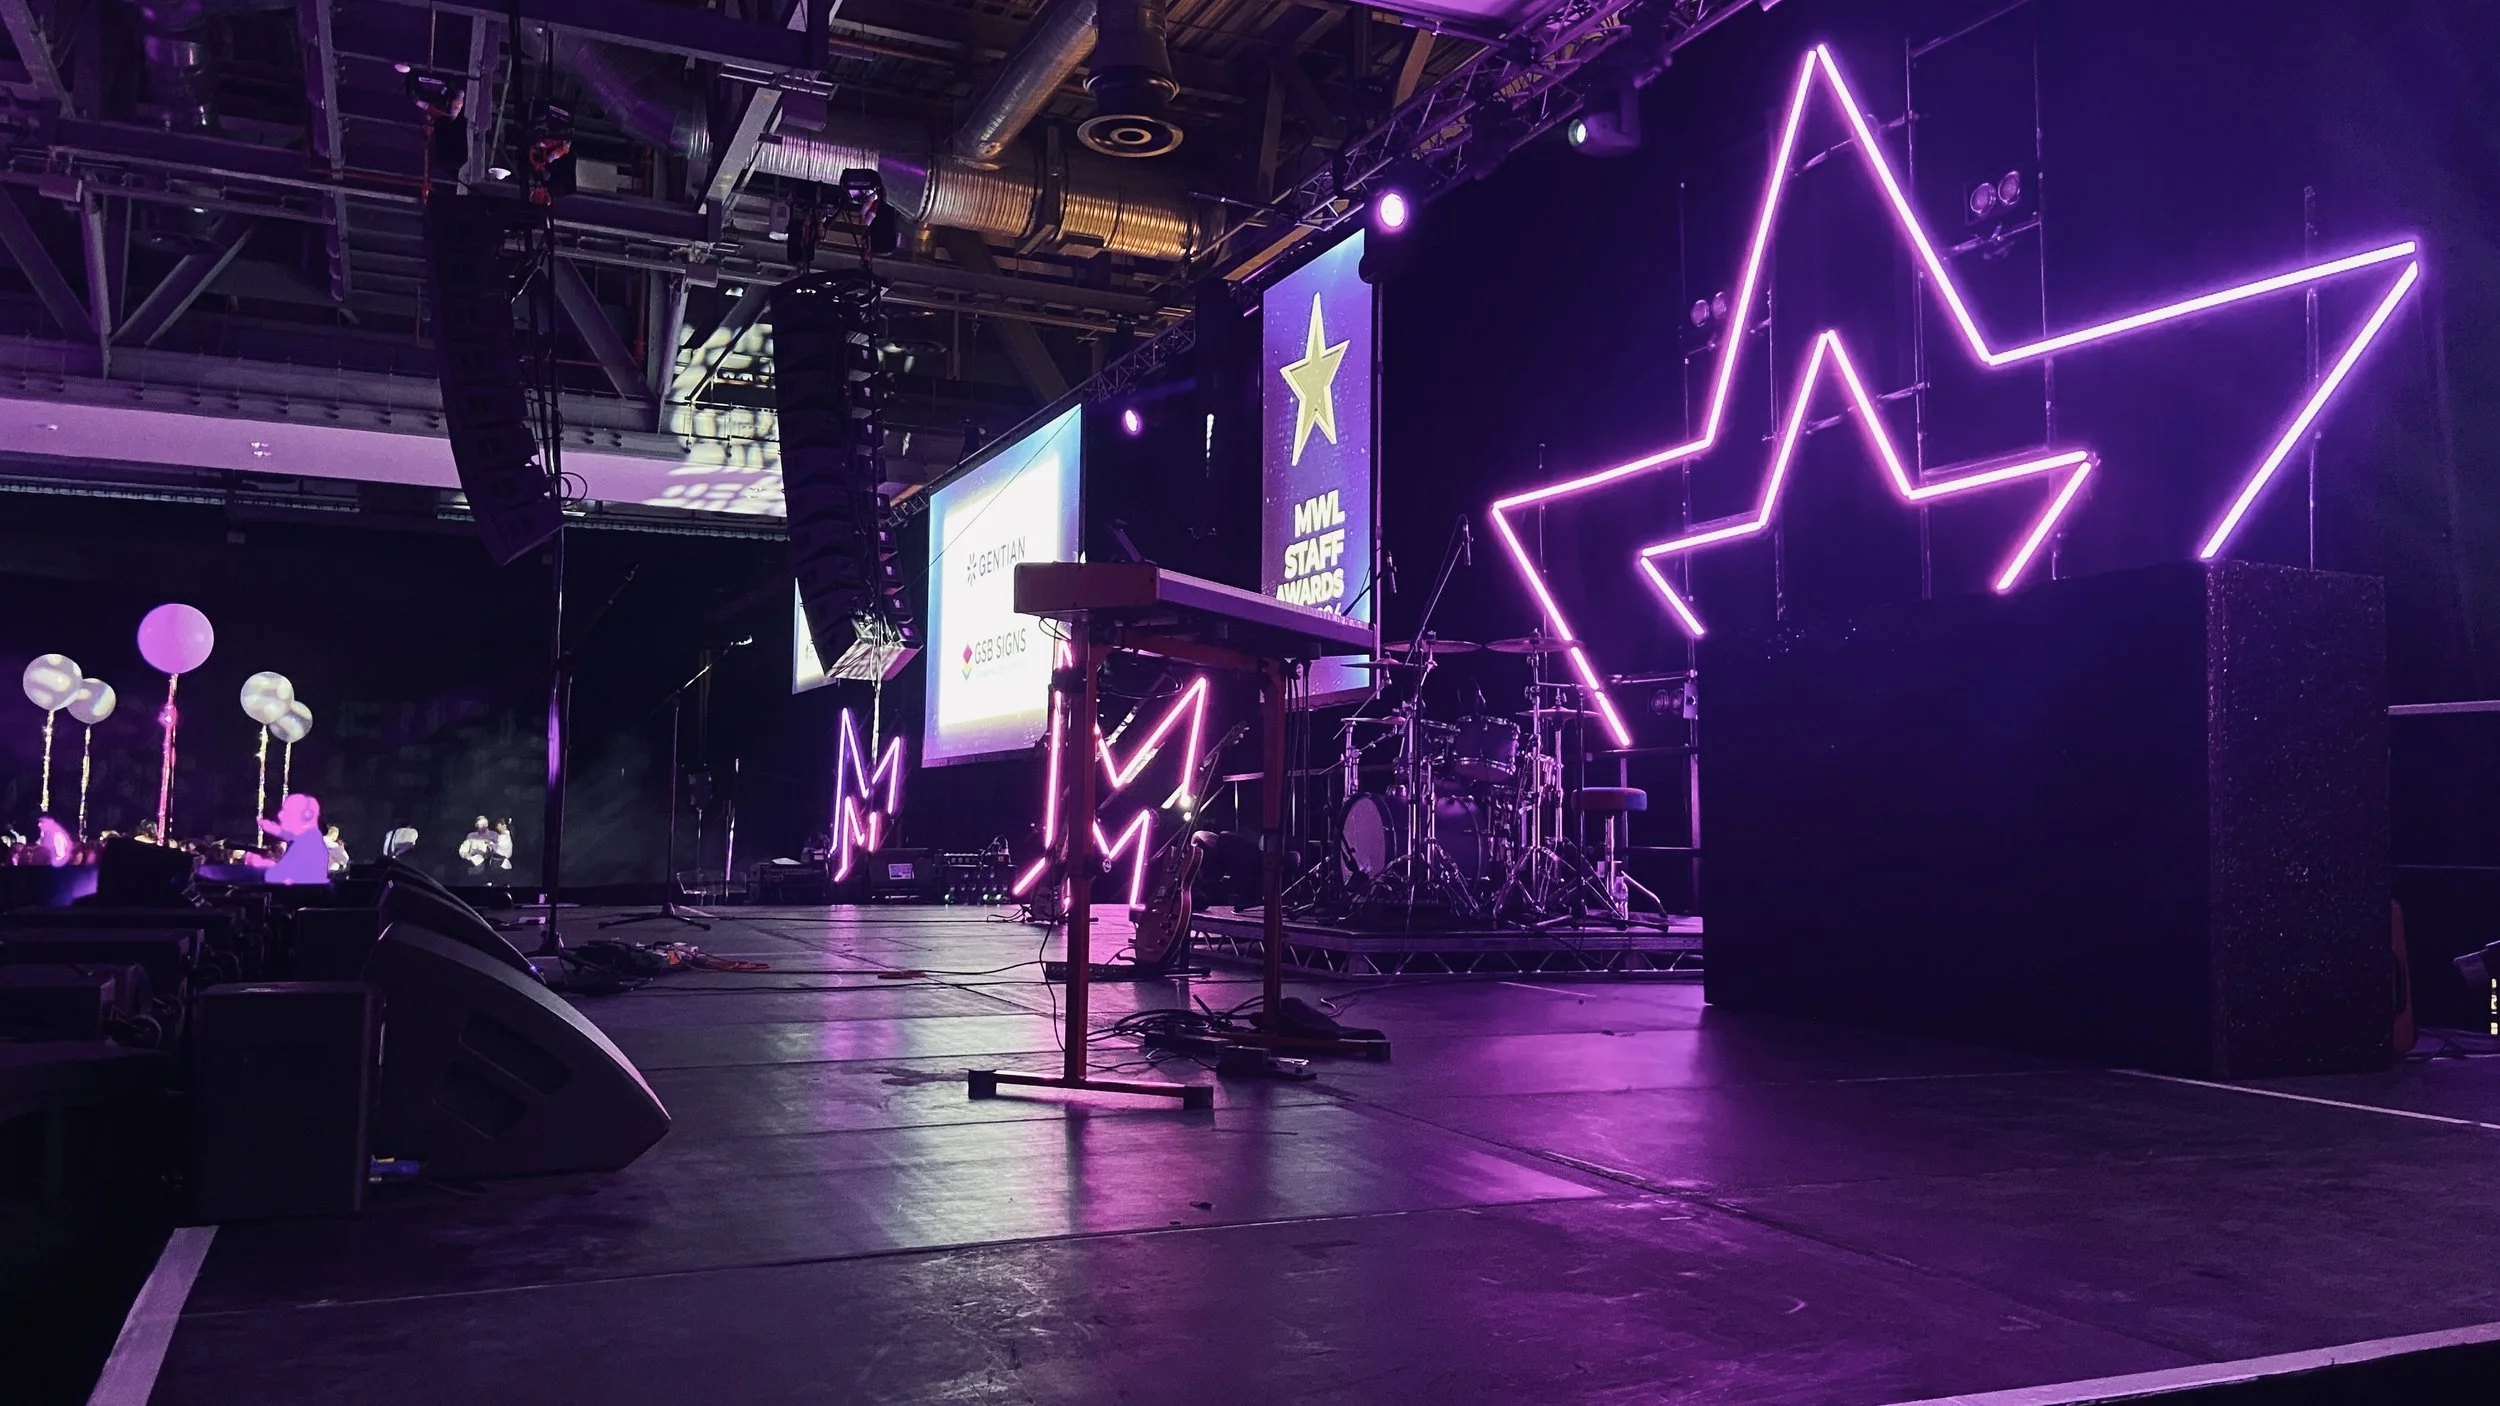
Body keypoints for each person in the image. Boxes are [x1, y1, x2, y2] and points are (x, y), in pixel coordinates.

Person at [246, 793, 333, 885]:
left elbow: (274, 876)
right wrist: (269, 827)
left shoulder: (304, 844)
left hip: (299, 895)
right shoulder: (311, 838)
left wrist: (260, 863)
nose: (280, 815)